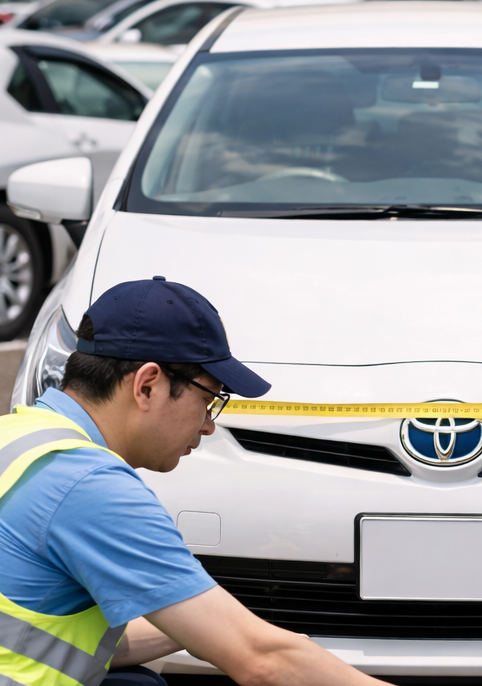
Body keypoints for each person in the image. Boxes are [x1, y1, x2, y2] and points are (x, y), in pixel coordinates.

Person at [0, 277, 389, 686]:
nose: (207, 425)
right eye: (207, 400)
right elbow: (261, 663)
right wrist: (255, 642)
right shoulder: (90, 485)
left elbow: (71, 638)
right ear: (147, 386)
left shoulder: (20, 437)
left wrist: (208, 618)